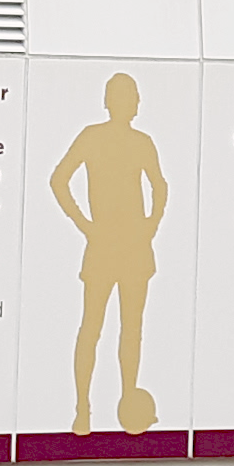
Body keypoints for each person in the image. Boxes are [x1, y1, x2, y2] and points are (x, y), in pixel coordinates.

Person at [50, 72, 167, 433]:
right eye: (130, 96)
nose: (134, 102)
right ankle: (83, 409)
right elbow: (58, 180)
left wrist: (150, 225)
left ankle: (125, 405)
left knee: (125, 329)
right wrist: (86, 225)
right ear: (114, 100)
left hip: (128, 245)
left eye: (134, 96)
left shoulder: (140, 141)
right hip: (109, 244)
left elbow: (160, 188)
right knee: (98, 328)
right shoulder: (94, 137)